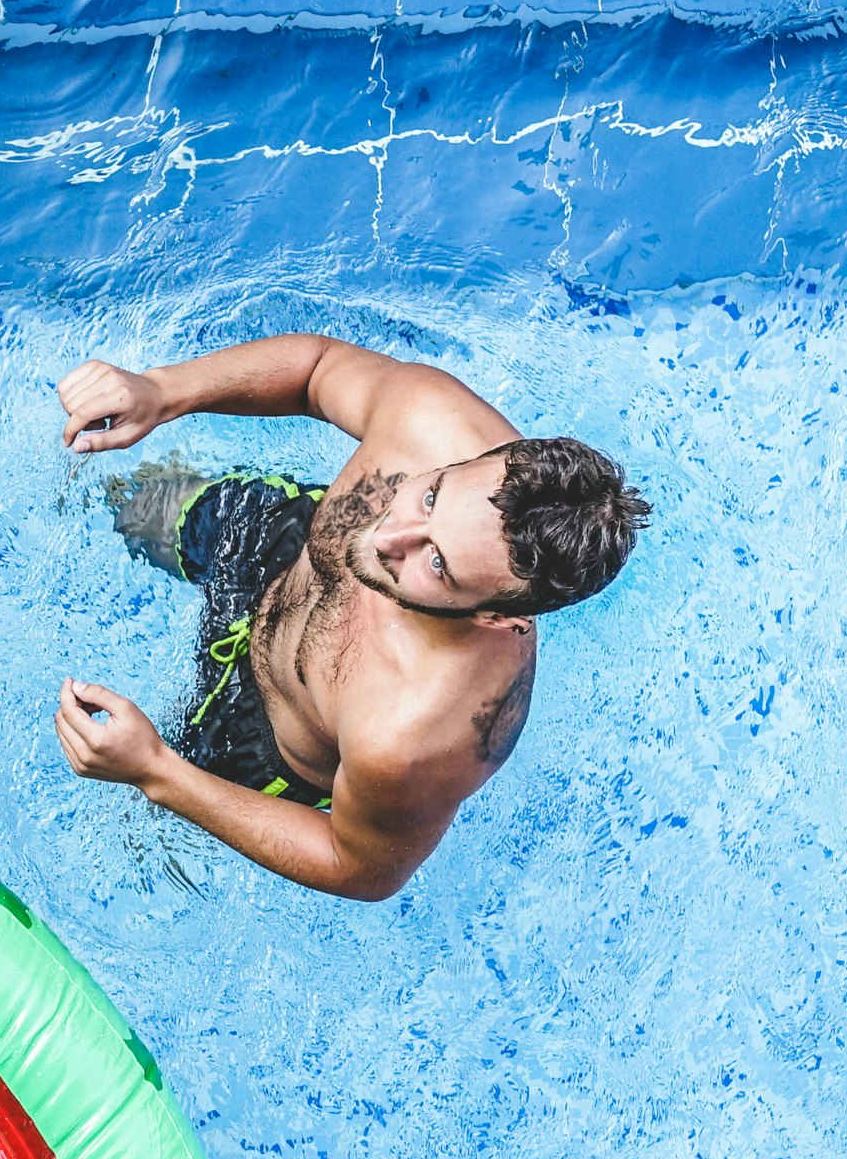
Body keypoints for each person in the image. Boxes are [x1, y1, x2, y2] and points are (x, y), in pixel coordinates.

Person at [48, 334, 651, 901]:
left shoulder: (422, 732)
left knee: (136, 831)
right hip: (279, 547)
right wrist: (163, 391)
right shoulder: (431, 418)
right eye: (432, 495)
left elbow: (359, 867)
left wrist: (157, 772)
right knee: (134, 507)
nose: (391, 534)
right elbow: (317, 371)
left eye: (436, 563)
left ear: (496, 617)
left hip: (265, 741)